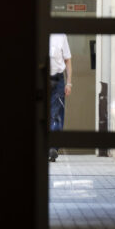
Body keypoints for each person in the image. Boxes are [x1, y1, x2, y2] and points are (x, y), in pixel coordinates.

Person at [49, 33, 72, 162]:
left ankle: (53, 147)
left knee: (56, 113)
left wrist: (69, 82)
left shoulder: (61, 36)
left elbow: (68, 59)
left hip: (57, 79)